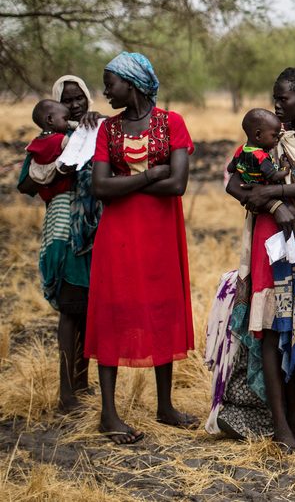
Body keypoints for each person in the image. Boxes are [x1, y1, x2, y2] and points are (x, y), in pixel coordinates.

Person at [217, 67, 295, 454]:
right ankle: (280, 426)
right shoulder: (264, 137)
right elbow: (234, 182)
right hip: (270, 242)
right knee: (272, 327)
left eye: (283, 97)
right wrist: (274, 203)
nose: (276, 104)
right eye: (274, 97)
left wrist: (274, 190)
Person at [87, 53, 196, 444]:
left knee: (161, 307)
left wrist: (126, 183)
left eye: (109, 83)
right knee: (115, 309)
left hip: (160, 232)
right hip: (118, 233)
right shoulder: (107, 129)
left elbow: (179, 184)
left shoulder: (172, 123)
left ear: (130, 84)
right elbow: (100, 188)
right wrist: (152, 173)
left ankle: (164, 406)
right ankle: (109, 414)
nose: (104, 91)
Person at [17, 77, 104, 413]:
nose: (76, 105)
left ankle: (80, 385)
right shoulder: (50, 139)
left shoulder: (95, 129)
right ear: (55, 107)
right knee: (70, 307)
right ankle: (67, 394)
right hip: (65, 228)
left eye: (80, 97)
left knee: (84, 306)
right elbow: (25, 182)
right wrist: (60, 165)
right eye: (67, 100)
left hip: (93, 229)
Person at [227, 108, 291, 185]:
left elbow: (230, 168)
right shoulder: (261, 157)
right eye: (274, 136)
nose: (277, 139)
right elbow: (275, 177)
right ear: (258, 135)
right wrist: (285, 169)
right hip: (267, 191)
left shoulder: (240, 150)